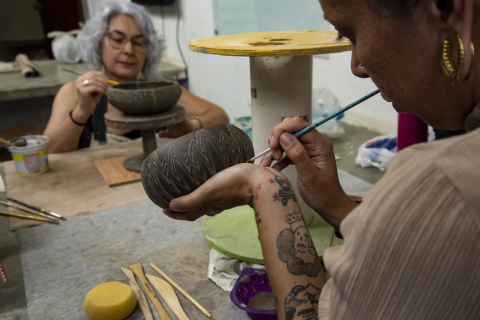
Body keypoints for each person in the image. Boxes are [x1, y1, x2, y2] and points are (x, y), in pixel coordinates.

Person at [162, 0, 480, 319]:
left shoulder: (446, 181)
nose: (357, 66)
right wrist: (335, 204)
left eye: (351, 33)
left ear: (449, 9)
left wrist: (264, 188)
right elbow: (415, 257)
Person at [44, 2, 229, 153]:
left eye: (139, 43)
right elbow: (48, 153)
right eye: (117, 40)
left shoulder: (159, 91)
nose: (128, 50)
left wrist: (192, 125)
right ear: (98, 42)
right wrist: (82, 111)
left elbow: (220, 116)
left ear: (148, 50)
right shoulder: (76, 92)